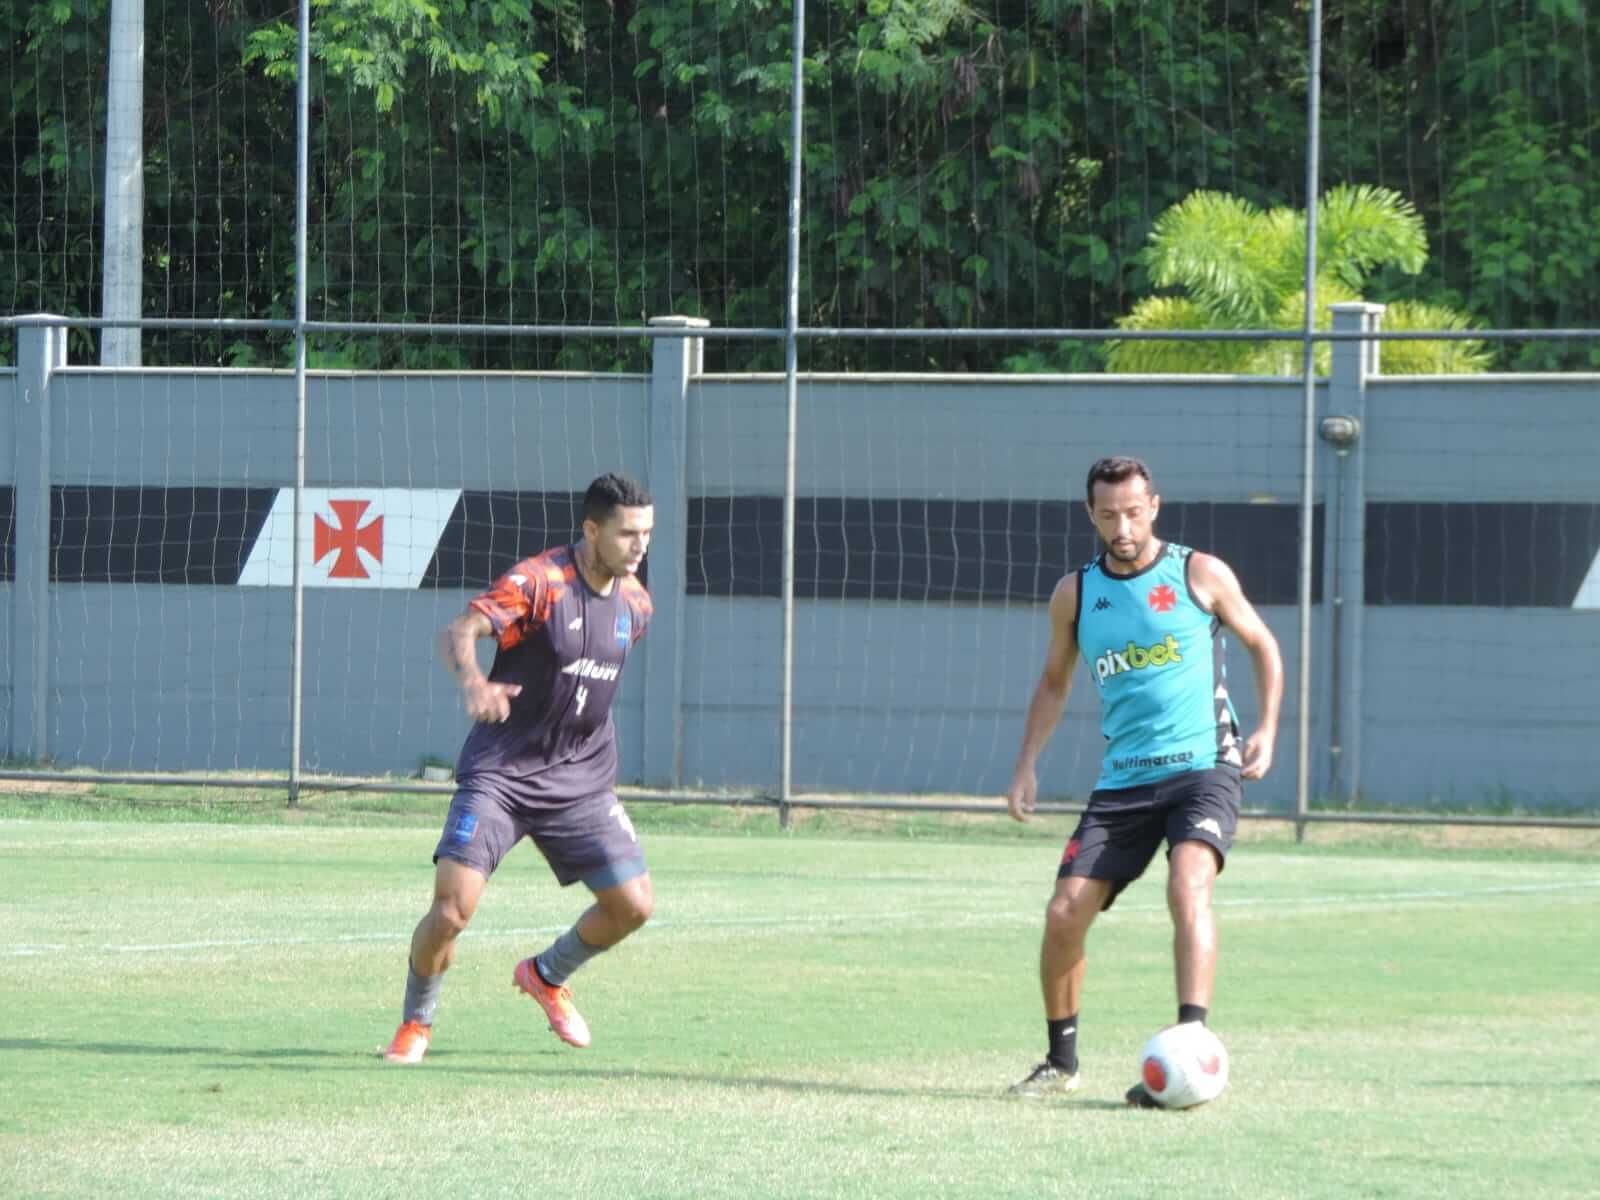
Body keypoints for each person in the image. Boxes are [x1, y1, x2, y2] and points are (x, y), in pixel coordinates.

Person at [1004, 456, 1283, 1105]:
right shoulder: (1075, 594)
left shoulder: (1198, 573)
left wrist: (1266, 726)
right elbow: (1053, 682)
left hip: (1203, 767)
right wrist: (1026, 765)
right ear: (1090, 515)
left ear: (1153, 506)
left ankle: (1192, 1045)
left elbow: (1262, 644)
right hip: (1124, 780)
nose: (1122, 526)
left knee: (1188, 886)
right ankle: (1060, 1060)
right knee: (1064, 912)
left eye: (1133, 512)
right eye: (1108, 515)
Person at [384, 472, 656, 1064]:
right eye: (628, 533)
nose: (640, 546)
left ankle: (546, 975)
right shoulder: (540, 581)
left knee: (633, 905)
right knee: (452, 912)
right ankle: (415, 1024)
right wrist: (475, 681)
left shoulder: (636, 604)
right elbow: (463, 628)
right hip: (502, 775)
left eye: (647, 533)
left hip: (581, 781)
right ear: (591, 530)